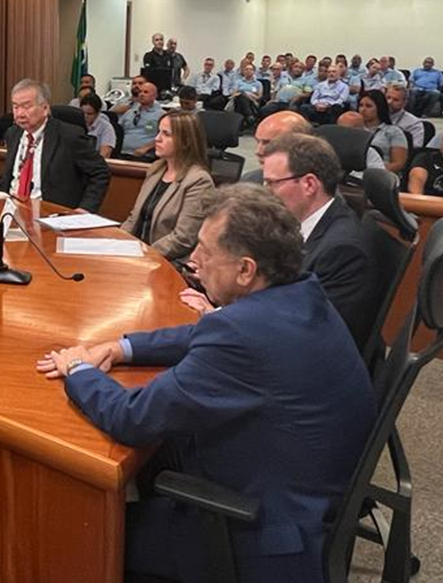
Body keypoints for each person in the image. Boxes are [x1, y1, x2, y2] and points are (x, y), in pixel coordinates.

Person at [37, 185, 375, 583]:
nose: (193, 261)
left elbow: (132, 417)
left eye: (205, 251)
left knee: (73, 535)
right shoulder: (301, 294)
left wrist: (79, 369)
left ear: (245, 269)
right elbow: (204, 333)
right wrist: (121, 347)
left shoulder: (242, 336)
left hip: (256, 533)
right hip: (299, 495)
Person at [259, 134, 378, 350]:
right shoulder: (298, 224)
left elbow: (309, 331)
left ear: (309, 184)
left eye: (271, 183)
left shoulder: (342, 249)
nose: (265, 192)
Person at [0, 79, 109, 211]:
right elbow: (8, 178)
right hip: (11, 210)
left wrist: (85, 209)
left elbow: (100, 172)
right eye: (15, 107)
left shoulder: (68, 135)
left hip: (48, 214)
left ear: (45, 108)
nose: (19, 114)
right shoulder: (13, 133)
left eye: (26, 107)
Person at [120, 111, 214, 262]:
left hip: (166, 262)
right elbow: (133, 219)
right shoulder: (156, 169)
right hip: (136, 255)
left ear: (186, 141)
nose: (157, 139)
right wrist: (117, 242)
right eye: (158, 132)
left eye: (166, 134)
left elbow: (183, 238)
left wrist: (144, 254)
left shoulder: (198, 181)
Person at [358, 90, 409, 174]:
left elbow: (399, 164)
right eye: (361, 105)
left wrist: (376, 170)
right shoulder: (355, 128)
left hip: (382, 174)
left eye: (368, 106)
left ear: (380, 108)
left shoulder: (394, 132)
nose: (363, 110)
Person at [118, 80, 164, 159]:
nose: (141, 94)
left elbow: (164, 137)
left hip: (146, 156)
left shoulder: (161, 115)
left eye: (146, 92)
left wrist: (146, 148)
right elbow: (118, 130)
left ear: (155, 96)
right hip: (123, 153)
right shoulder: (129, 112)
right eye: (140, 92)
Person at [385, 83, 424, 151]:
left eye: (396, 100)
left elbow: (415, 149)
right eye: (388, 98)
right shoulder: (373, 116)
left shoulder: (414, 124)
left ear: (404, 103)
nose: (389, 102)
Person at [79, 93, 116, 159]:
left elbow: (104, 156)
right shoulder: (75, 123)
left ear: (98, 113)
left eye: (89, 114)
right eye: (82, 113)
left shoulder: (106, 128)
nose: (85, 116)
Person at [227, 61, 261, 128]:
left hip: (252, 102)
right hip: (238, 100)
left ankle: (240, 125)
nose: (248, 71)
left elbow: (259, 97)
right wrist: (243, 94)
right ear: (243, 71)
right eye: (246, 69)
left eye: (250, 69)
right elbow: (234, 93)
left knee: (242, 98)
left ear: (254, 71)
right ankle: (249, 115)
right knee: (241, 98)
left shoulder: (258, 83)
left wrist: (248, 95)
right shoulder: (238, 82)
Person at [142, 32, 173, 98]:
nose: (159, 42)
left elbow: (171, 71)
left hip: (166, 88)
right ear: (153, 42)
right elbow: (148, 73)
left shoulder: (168, 56)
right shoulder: (148, 56)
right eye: (157, 40)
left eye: (161, 39)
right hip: (153, 87)